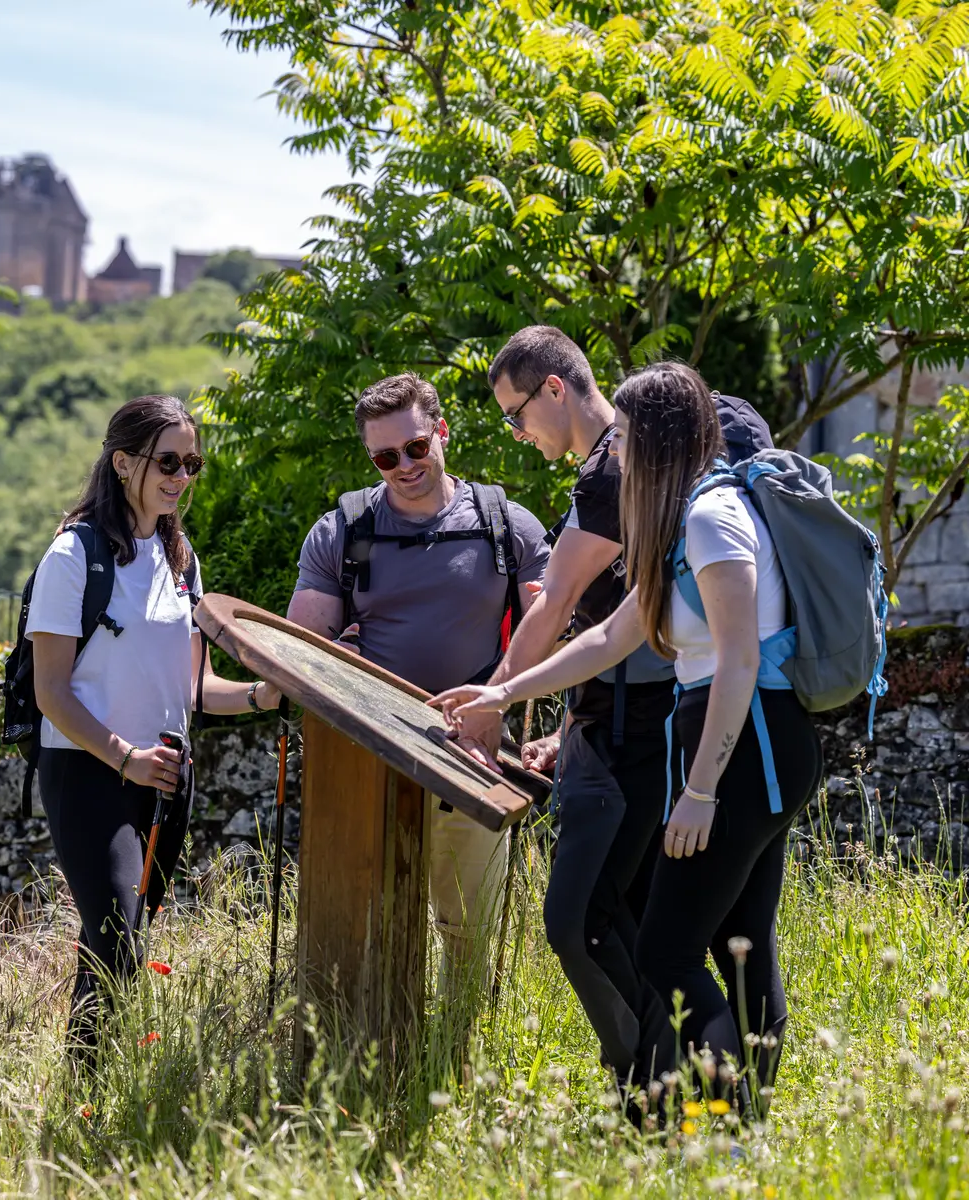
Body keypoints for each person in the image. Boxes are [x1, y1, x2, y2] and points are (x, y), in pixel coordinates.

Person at [430, 362, 823, 1101]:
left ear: (655, 440)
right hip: (740, 741)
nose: (611, 453)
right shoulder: (685, 522)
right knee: (739, 942)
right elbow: (609, 638)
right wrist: (503, 690)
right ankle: (748, 1122)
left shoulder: (711, 520)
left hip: (749, 745)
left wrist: (701, 789)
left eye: (623, 440)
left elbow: (738, 661)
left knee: (670, 955)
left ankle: (732, 1121)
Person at [461, 325, 683, 1095]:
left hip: (627, 737)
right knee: (625, 918)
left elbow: (555, 604)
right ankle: (682, 1084)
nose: (517, 433)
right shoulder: (633, 458)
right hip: (625, 722)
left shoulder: (607, 471)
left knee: (580, 920)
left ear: (555, 389)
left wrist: (493, 703)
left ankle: (652, 1084)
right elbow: (616, 617)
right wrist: (560, 724)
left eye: (516, 414)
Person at [28, 394, 280, 1061]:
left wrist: (266, 695)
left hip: (169, 775)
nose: (182, 476)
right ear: (122, 462)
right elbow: (49, 691)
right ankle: (90, 1090)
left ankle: (89, 1087)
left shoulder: (180, 558)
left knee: (121, 939)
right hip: (90, 771)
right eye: (168, 460)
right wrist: (123, 758)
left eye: (192, 463)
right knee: (117, 935)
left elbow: (193, 689)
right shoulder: (72, 556)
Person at [287, 373, 549, 994]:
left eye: (414, 447)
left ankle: (460, 1075)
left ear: (441, 432)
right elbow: (301, 652)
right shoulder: (342, 531)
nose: (402, 465)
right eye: (384, 456)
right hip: (369, 760)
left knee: (470, 937)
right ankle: (367, 1074)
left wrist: (505, 702)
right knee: (366, 937)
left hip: (473, 756)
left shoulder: (504, 523)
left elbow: (554, 627)